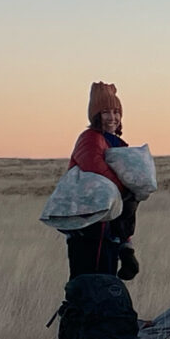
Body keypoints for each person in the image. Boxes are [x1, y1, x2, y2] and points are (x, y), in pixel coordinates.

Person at [65, 81, 140, 281]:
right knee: (88, 288)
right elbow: (95, 170)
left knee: (105, 290)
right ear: (96, 115)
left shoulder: (118, 144)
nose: (113, 117)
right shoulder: (89, 139)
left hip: (110, 233)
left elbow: (125, 204)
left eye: (116, 112)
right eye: (106, 112)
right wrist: (128, 186)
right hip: (88, 230)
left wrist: (127, 247)